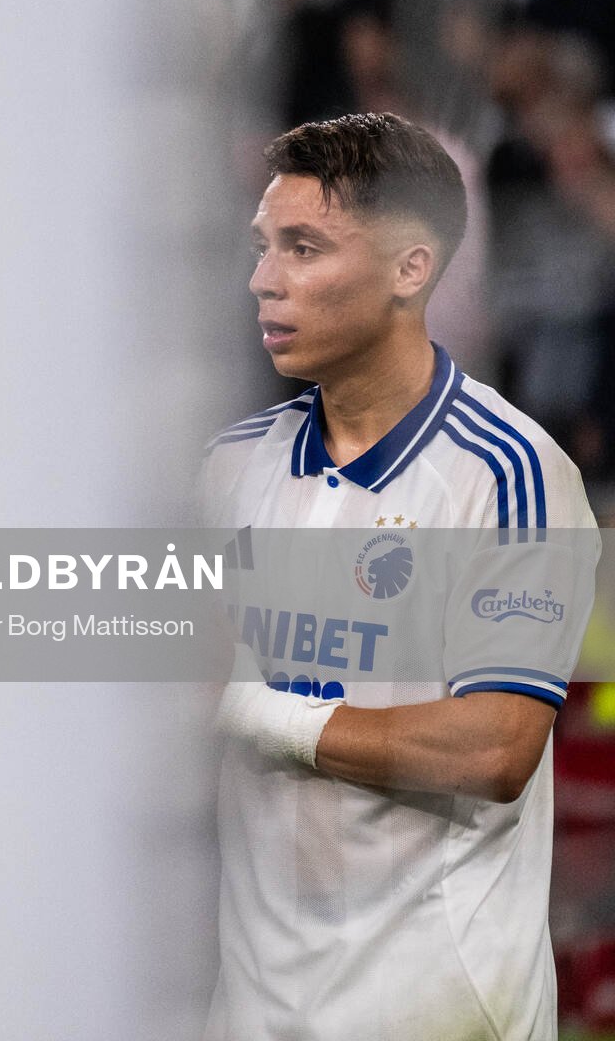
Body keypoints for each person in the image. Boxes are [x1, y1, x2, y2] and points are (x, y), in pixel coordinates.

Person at [205, 112, 600, 1039]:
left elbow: (498, 747)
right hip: (253, 1013)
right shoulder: (227, 468)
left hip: (437, 1013)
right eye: (263, 246)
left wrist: (258, 711)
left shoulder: (513, 474)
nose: (264, 278)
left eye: (304, 247)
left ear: (410, 269)